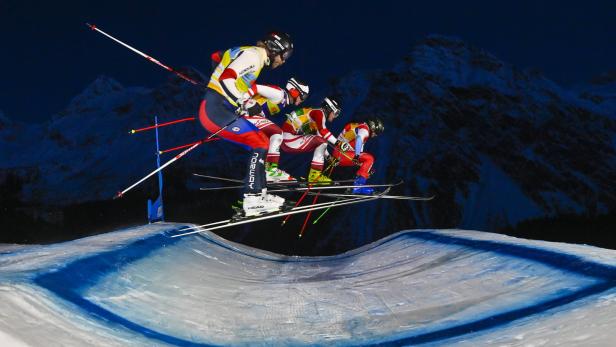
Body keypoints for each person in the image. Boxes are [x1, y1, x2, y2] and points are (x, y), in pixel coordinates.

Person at [198, 32, 293, 216]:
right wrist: (245, 101)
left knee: (261, 142)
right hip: (215, 109)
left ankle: (259, 194)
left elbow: (216, 57)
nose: (283, 61)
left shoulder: (244, 51)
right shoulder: (255, 56)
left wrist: (214, 82)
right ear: (274, 48)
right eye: (285, 55)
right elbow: (227, 78)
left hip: (217, 105)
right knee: (260, 143)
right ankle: (253, 199)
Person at [243, 78, 310, 182]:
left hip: (250, 118)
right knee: (277, 133)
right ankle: (270, 170)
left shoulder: (283, 102)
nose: (302, 100)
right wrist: (245, 102)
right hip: (245, 114)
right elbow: (255, 87)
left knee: (265, 141)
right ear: (294, 91)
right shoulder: (279, 94)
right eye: (303, 96)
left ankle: (261, 170)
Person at [280, 97, 351, 183]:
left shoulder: (317, 117)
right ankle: (314, 175)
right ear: (329, 109)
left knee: (320, 141)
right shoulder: (319, 112)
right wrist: (338, 143)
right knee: (321, 140)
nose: (335, 116)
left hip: (288, 139)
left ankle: (311, 175)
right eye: (336, 113)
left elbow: (320, 140)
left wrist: (329, 157)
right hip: (288, 138)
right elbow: (323, 132)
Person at [332, 118, 384, 194]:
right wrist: (357, 156)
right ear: (373, 127)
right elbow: (359, 139)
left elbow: (359, 153)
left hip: (340, 154)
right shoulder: (365, 129)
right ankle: (358, 187)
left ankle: (355, 187)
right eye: (377, 132)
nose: (375, 135)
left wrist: (366, 170)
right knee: (370, 159)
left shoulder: (360, 127)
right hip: (341, 154)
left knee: (366, 162)